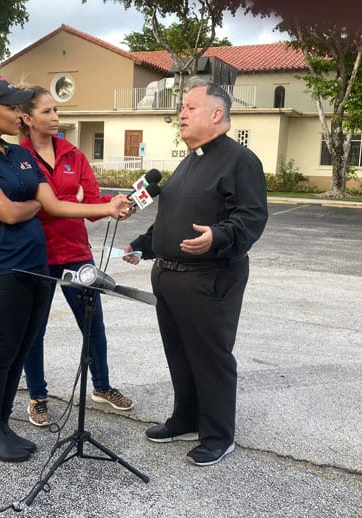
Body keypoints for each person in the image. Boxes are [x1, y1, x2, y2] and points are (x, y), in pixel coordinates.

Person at [0, 76, 130, 463]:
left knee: (19, 352)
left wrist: (101, 206)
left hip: (37, 269)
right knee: (0, 355)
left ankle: (3, 426)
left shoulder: (17, 155)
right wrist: (36, 204)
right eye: (12, 108)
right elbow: (11, 211)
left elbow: (53, 203)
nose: (19, 113)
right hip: (1, 272)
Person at [124, 77, 268, 467]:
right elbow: (174, 216)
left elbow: (251, 218)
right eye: (182, 109)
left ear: (217, 113)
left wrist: (218, 237)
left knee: (210, 357)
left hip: (209, 279)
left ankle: (219, 435)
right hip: (171, 278)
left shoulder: (240, 161)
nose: (181, 114)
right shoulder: (190, 160)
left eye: (190, 108)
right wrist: (144, 245)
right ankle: (185, 419)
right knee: (180, 355)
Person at [18, 85, 133, 427]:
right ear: (27, 118)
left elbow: (94, 206)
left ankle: (102, 386)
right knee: (34, 330)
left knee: (92, 322)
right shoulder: (17, 158)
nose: (56, 117)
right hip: (35, 255)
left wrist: (114, 209)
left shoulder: (74, 154)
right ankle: (38, 397)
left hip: (75, 252)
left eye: (57, 111)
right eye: (47, 112)